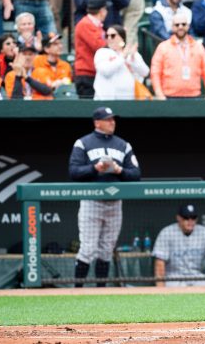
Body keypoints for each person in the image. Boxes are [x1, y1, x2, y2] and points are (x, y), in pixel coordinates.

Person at [69, 107, 141, 288]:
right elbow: (74, 171)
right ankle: (76, 291)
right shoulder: (83, 142)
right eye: (108, 119)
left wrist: (119, 170)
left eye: (113, 119)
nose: (112, 122)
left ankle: (101, 292)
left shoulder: (123, 144)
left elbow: (136, 173)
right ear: (97, 122)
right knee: (88, 248)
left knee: (106, 250)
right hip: (92, 201)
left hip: (115, 202)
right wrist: (95, 168)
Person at [152, 204, 205, 287]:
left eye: (193, 218)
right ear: (178, 218)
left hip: (196, 277)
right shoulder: (166, 233)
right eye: (186, 218)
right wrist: (161, 289)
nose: (190, 221)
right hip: (174, 278)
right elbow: (159, 263)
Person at [150, 13, 205, 99]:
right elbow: (155, 72)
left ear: (188, 26)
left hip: (194, 97)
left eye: (183, 24)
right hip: (169, 97)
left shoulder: (198, 47)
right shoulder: (163, 47)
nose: (180, 27)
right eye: (177, 25)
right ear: (172, 27)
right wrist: (159, 93)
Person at [94, 25, 150, 100]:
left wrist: (133, 58)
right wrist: (123, 57)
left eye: (113, 35)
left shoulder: (132, 53)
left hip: (129, 99)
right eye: (107, 36)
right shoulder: (102, 52)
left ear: (122, 37)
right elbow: (105, 71)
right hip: (106, 99)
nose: (109, 38)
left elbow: (145, 72)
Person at [74, 0, 107, 99]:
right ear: (102, 11)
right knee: (88, 111)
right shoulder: (85, 24)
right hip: (86, 74)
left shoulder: (96, 25)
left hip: (94, 73)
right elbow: (99, 46)